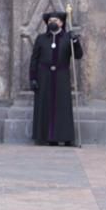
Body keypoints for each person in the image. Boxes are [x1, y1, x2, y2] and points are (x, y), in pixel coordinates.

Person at [29, 10, 82, 146]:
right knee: (45, 106)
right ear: (47, 23)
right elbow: (34, 60)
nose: (53, 23)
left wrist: (75, 42)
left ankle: (65, 137)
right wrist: (33, 78)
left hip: (61, 77)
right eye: (51, 21)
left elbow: (78, 55)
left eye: (56, 21)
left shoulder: (67, 38)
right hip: (44, 77)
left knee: (62, 107)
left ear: (62, 23)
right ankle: (46, 137)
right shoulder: (41, 38)